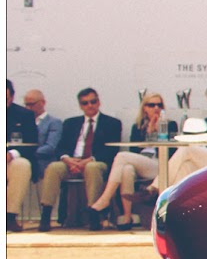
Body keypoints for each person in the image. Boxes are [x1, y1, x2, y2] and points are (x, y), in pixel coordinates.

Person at [38, 87, 123, 231]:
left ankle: (94, 214)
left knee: (92, 167)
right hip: (72, 161)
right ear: (80, 105)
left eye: (93, 101)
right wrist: (67, 159)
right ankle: (46, 214)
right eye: (85, 103)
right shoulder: (70, 123)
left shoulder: (112, 123)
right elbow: (60, 147)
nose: (90, 105)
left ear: (99, 102)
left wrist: (88, 160)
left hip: (96, 161)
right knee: (53, 168)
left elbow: (111, 150)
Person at [89, 92, 177, 229]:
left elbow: (171, 153)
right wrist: (148, 132)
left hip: (161, 164)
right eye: (151, 105)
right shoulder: (137, 126)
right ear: (144, 108)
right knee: (127, 169)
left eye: (159, 105)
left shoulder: (170, 124)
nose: (156, 108)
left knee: (121, 156)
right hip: (142, 163)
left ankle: (104, 200)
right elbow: (133, 151)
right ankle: (127, 216)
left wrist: (157, 132)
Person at [6, 80, 38, 232]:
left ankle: (9, 216)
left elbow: (31, 143)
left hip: (10, 160)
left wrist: (11, 154)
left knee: (22, 165)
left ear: (11, 97)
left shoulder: (24, 115)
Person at [23, 89, 63, 177]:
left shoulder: (54, 122)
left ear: (42, 103)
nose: (28, 108)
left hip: (42, 163)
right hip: (23, 163)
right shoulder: (23, 122)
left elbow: (51, 147)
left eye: (32, 104)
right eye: (26, 105)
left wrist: (27, 152)